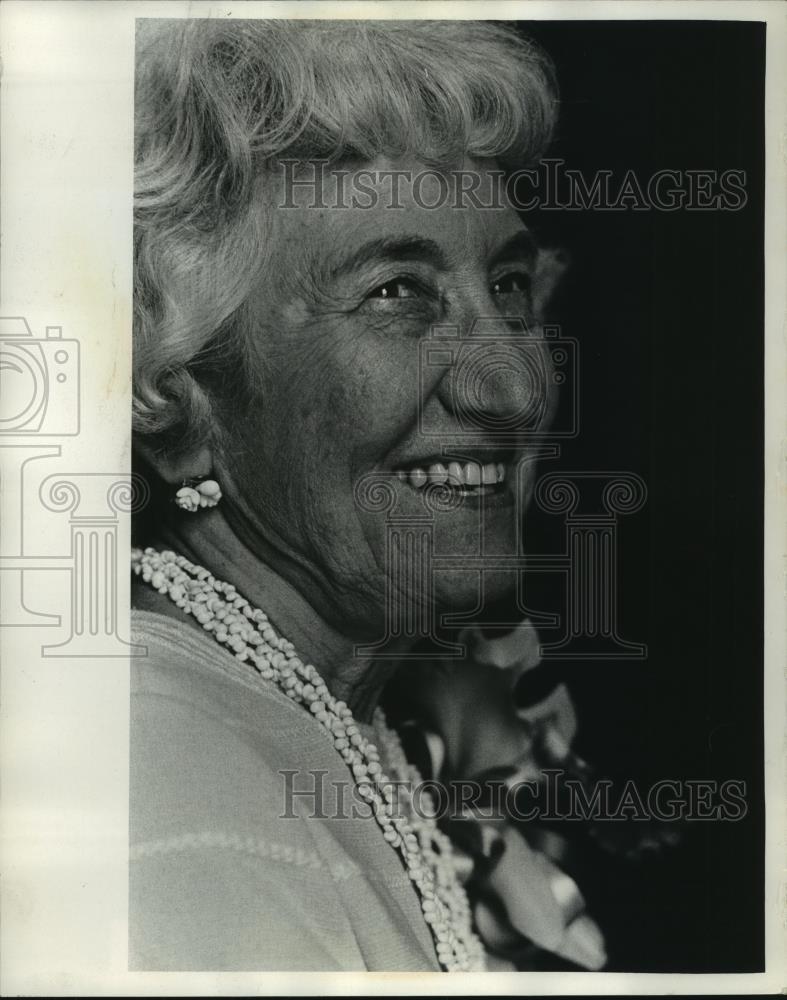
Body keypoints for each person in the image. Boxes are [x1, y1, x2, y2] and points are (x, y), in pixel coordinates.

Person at [129, 18, 605, 972]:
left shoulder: (325, 722)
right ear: (172, 389)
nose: (512, 389)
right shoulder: (167, 767)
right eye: (398, 292)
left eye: (507, 286)